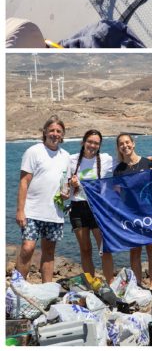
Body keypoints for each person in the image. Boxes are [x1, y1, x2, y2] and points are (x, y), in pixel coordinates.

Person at [15, 116, 71, 283]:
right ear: (45, 132)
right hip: (32, 212)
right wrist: (20, 210)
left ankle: (47, 290)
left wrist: (66, 193)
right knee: (27, 248)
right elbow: (24, 181)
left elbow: (64, 182)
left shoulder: (65, 156)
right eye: (52, 130)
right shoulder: (34, 151)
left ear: (62, 135)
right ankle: (18, 289)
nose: (55, 134)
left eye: (58, 131)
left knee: (49, 253)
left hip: (54, 213)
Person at [113, 133, 152, 290]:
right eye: (121, 144)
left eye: (127, 142)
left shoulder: (149, 163)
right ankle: (138, 284)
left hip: (149, 213)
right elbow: (117, 194)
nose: (125, 145)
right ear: (119, 148)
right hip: (130, 215)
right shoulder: (119, 170)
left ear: (133, 144)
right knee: (135, 252)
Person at [67, 129, 114, 282]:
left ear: (99, 146)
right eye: (90, 142)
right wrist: (71, 183)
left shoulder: (105, 159)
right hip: (78, 208)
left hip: (97, 208)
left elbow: (125, 163)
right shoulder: (72, 160)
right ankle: (91, 283)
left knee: (104, 249)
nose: (93, 145)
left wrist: (147, 161)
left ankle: (110, 283)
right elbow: (63, 184)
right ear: (83, 142)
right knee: (85, 249)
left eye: (96, 143)